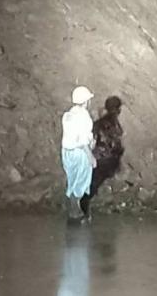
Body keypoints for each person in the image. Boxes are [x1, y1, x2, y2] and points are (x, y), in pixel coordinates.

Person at [80, 96, 125, 217]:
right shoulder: (115, 125)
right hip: (108, 160)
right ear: (119, 110)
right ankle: (83, 212)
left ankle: (83, 212)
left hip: (99, 158)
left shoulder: (99, 123)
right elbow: (116, 145)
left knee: (91, 185)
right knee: (91, 188)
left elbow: (91, 139)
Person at [62, 86, 96, 223]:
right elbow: (82, 140)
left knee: (72, 178)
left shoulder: (68, 115)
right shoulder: (84, 116)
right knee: (81, 180)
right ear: (86, 101)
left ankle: (73, 209)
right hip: (79, 152)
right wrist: (91, 156)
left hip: (66, 151)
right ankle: (75, 211)